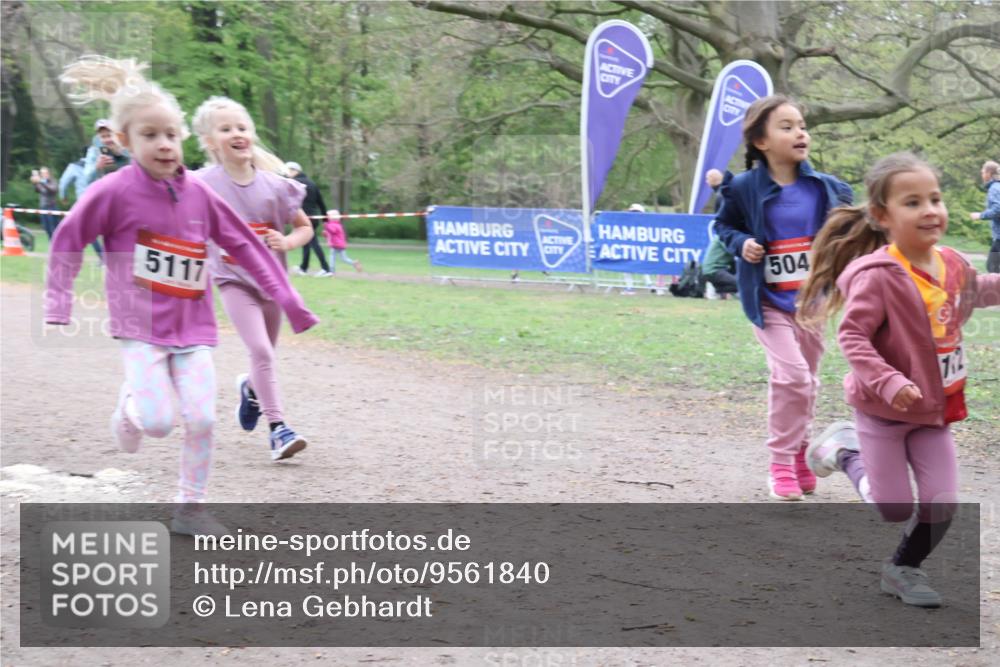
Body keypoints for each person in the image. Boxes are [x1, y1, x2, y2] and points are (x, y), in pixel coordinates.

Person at [48, 56, 318, 535]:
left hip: (194, 329)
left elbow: (245, 246)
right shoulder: (112, 192)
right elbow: (68, 236)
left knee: (201, 420)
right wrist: (58, 301)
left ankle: (190, 509)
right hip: (141, 329)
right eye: (150, 135)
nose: (164, 144)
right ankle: (130, 405)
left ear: (183, 139)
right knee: (157, 423)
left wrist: (289, 299)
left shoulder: (199, 193)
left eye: (171, 134)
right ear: (126, 140)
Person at [797, 152, 1000, 607]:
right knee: (892, 508)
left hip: (933, 411)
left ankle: (903, 569)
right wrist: (888, 381)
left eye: (935, 198)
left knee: (942, 501)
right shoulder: (879, 278)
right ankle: (845, 450)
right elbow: (853, 336)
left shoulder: (950, 264)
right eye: (913, 202)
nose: (930, 209)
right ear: (882, 216)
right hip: (881, 413)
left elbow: (980, 290)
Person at [713, 94, 853, 500]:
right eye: (787, 126)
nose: (800, 133)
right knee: (791, 376)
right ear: (761, 141)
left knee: (806, 382)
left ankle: (798, 456)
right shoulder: (741, 189)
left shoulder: (827, 188)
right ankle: (779, 463)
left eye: (802, 126)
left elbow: (849, 236)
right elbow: (722, 227)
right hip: (769, 301)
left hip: (811, 303)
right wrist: (742, 243)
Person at [191, 95, 315, 461]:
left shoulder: (277, 186)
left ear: (252, 134)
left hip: (273, 284)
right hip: (233, 280)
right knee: (260, 351)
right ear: (211, 142)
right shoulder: (203, 184)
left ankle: (250, 388)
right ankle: (279, 430)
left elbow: (305, 229)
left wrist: (287, 240)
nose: (237, 133)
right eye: (226, 129)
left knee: (265, 357)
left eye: (242, 127)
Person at [285, 161, 333, 276]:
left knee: (313, 242)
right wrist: (325, 219)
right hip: (314, 217)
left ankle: (326, 269)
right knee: (305, 242)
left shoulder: (294, 182)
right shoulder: (312, 183)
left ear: (294, 171)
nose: (287, 174)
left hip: (304, 218)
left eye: (288, 171)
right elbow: (321, 202)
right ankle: (303, 268)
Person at [58, 148, 105, 260]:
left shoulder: (74, 166)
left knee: (81, 228)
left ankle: (101, 256)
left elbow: (63, 183)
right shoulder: (99, 163)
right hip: (101, 200)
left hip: (84, 202)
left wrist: (63, 196)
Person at [970, 160, 1000, 273]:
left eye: (983, 172)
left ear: (988, 173)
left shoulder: (994, 188)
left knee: (992, 267)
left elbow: (998, 209)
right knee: (993, 267)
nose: (982, 175)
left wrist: (980, 215)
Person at [323, 209, 363, 273]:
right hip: (339, 244)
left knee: (332, 257)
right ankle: (354, 263)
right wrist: (326, 233)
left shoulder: (334, 224)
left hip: (336, 244)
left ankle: (332, 271)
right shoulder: (336, 224)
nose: (327, 218)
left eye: (328, 216)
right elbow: (331, 234)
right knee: (343, 259)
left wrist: (326, 226)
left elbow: (332, 231)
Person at [30, 167, 59, 239]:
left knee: (54, 227)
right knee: (46, 228)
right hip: (43, 208)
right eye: (42, 173)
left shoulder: (52, 181)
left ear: (49, 174)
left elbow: (53, 190)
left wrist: (42, 182)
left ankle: (57, 244)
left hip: (51, 207)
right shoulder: (41, 182)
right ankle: (51, 244)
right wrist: (34, 182)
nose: (43, 175)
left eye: (45, 173)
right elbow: (37, 190)